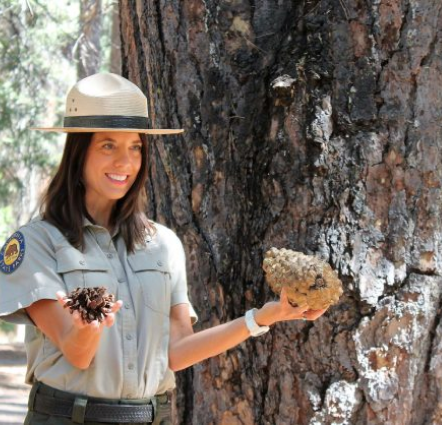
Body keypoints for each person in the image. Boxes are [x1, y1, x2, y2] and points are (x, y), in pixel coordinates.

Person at [0, 72, 326, 425]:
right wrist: (88, 328)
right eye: (108, 145)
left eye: (135, 147)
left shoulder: (163, 243)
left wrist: (265, 316)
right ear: (78, 154)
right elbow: (77, 354)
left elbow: (176, 352)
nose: (125, 162)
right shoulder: (36, 242)